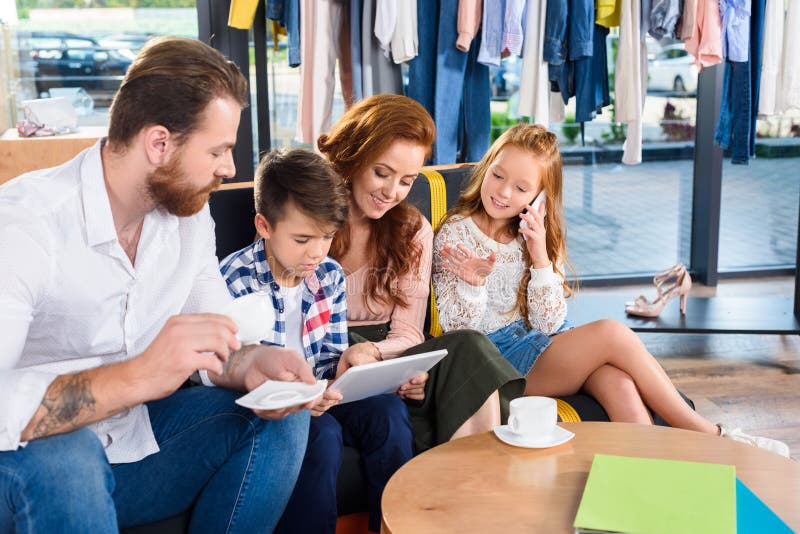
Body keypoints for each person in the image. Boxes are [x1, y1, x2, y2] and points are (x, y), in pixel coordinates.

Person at [0, 37, 317, 532]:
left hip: (132, 449)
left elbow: (218, 340)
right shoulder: (26, 224)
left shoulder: (187, 219)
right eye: (218, 150)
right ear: (160, 143)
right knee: (68, 453)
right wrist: (139, 376)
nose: (230, 169)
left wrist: (254, 361)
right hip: (28, 467)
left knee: (281, 417)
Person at [432, 123, 790, 458]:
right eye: (497, 175)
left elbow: (547, 323)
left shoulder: (533, 236)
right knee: (611, 333)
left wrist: (540, 255)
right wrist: (473, 283)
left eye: (522, 188)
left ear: (540, 196)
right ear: (487, 168)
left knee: (617, 382)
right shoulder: (455, 234)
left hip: (534, 344)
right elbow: (457, 332)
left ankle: (654, 482)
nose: (503, 191)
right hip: (489, 361)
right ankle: (713, 437)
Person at [317, 94, 526, 453]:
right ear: (353, 156)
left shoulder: (412, 230)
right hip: (322, 359)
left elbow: (407, 332)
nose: (391, 192)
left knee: (469, 346)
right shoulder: (307, 218)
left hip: (382, 359)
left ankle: (479, 482)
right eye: (382, 173)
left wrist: (388, 361)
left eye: (406, 180)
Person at [219, 149, 414, 534]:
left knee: (389, 415)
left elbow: (329, 356)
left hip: (320, 392)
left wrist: (346, 365)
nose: (317, 252)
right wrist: (302, 393)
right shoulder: (233, 279)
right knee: (323, 436)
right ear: (264, 225)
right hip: (270, 407)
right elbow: (232, 369)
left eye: (327, 237)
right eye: (303, 238)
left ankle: (392, 528)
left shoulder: (328, 275)